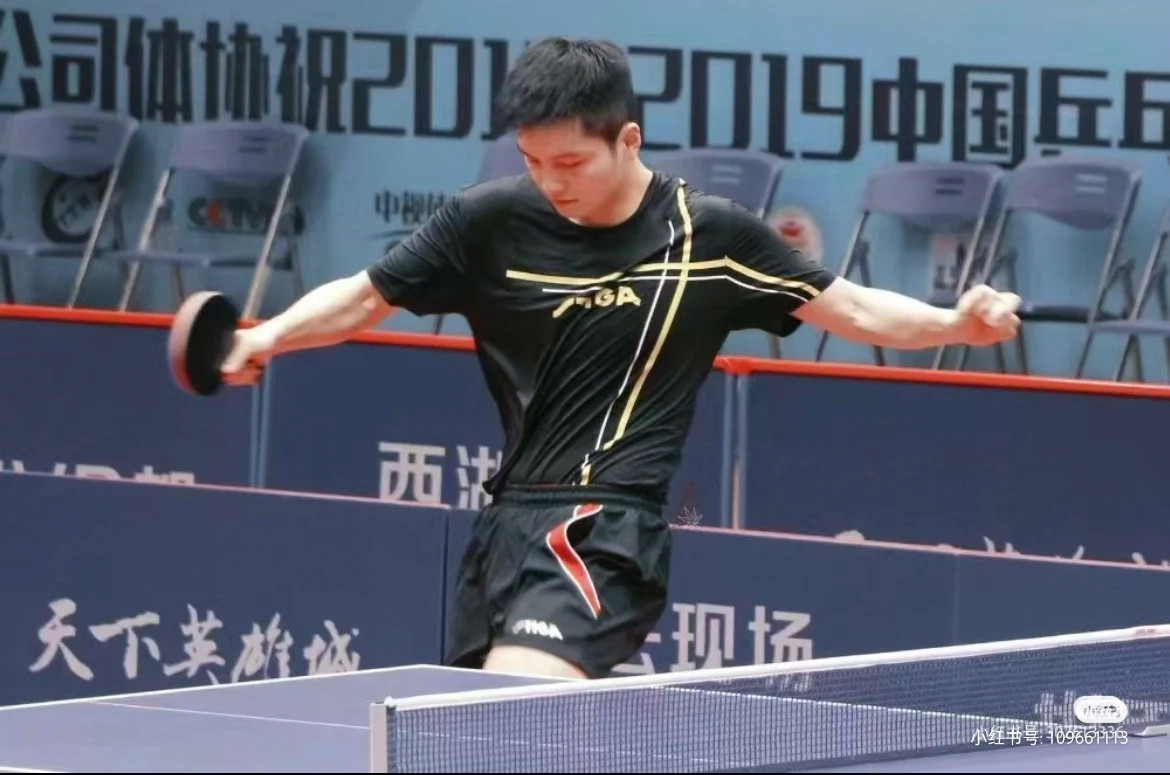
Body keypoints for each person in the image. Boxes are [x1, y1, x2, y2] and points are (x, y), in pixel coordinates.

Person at [220, 38, 1020, 681]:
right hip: (504, 528)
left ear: (627, 139)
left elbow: (852, 307)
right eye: (533, 162)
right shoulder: (488, 223)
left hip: (606, 526)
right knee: (466, 730)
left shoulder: (707, 238)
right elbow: (364, 297)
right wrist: (264, 337)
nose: (550, 182)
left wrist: (955, 321)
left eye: (571, 164)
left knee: (512, 701)